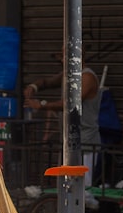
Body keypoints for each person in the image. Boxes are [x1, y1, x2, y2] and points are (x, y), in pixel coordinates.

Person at [23, 51, 101, 187]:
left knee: (82, 187)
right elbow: (48, 82)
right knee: (66, 184)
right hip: (68, 140)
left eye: (66, 56)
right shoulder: (68, 75)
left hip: (85, 140)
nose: (62, 60)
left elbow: (71, 104)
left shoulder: (87, 77)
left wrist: (42, 105)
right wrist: (34, 86)